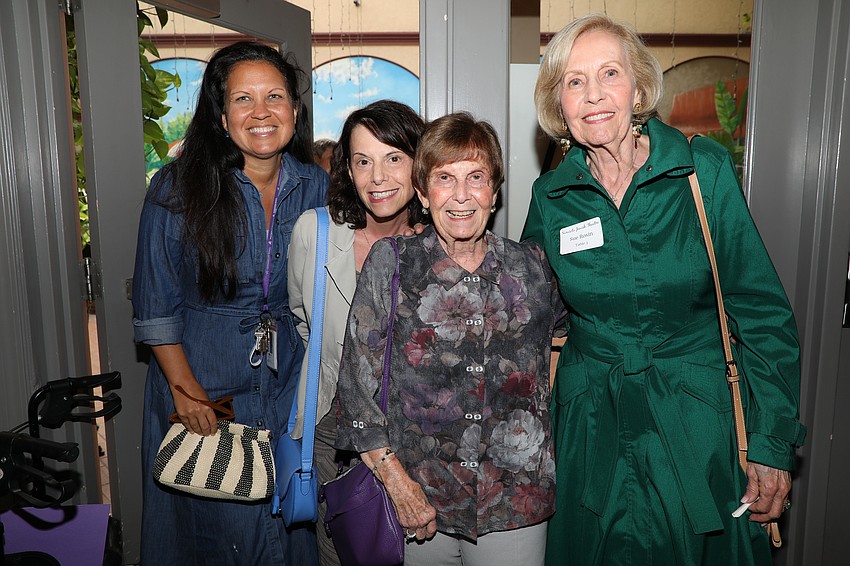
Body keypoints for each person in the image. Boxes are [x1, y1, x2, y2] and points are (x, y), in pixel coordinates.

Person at [522, 14, 807, 566]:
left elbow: (762, 313)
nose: (594, 94)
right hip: (590, 430)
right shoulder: (551, 197)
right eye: (574, 81)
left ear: (639, 88)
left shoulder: (701, 172)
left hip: (697, 427)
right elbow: (528, 315)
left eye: (609, 73)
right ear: (559, 103)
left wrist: (771, 444)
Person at [336, 112, 563, 566]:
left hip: (515, 501)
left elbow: (568, 339)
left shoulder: (532, 266)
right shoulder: (393, 263)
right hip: (419, 499)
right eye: (444, 178)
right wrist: (396, 485)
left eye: (476, 177)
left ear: (494, 191)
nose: (461, 196)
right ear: (423, 192)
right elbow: (356, 388)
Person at [132, 41, 328, 565]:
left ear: (294, 110)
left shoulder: (319, 187)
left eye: (275, 97)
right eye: (244, 99)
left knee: (285, 522)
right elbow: (155, 308)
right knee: (211, 532)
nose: (261, 112)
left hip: (287, 387)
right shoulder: (175, 189)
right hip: (201, 383)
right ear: (221, 116)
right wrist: (186, 391)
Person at [287, 99, 428, 566]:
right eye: (362, 161)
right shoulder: (316, 232)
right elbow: (302, 320)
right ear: (347, 169)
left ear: (419, 161)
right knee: (345, 553)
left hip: (421, 433)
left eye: (393, 158)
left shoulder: (440, 245)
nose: (378, 178)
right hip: (335, 433)